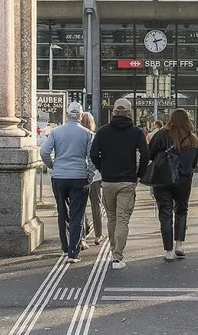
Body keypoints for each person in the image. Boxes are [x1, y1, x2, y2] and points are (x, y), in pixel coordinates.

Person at [90, 98, 149, 270]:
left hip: (108, 181)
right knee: (123, 219)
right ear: (129, 113)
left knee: (112, 217)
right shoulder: (136, 132)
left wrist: (102, 168)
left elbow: (93, 154)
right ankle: (117, 256)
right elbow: (145, 154)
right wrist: (140, 174)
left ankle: (112, 250)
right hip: (127, 181)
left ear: (113, 112)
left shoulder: (103, 132)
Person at [41, 102, 94, 264]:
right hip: (79, 176)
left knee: (62, 212)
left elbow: (44, 152)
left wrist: (52, 165)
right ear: (81, 115)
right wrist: (89, 175)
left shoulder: (56, 132)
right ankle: (73, 251)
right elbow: (92, 159)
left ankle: (65, 246)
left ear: (66, 115)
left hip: (59, 176)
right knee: (77, 213)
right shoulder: (87, 134)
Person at [146, 108, 198, 262]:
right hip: (184, 181)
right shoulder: (193, 139)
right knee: (182, 210)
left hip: (163, 179)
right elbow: (195, 162)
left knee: (165, 213)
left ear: (170, 119)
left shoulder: (162, 135)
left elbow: (149, 153)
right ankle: (179, 245)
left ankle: (168, 251)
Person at [79, 111, 104, 248]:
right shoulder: (95, 137)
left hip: (80, 175)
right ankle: (98, 235)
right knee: (96, 205)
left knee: (80, 207)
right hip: (95, 176)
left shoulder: (77, 137)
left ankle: (81, 236)